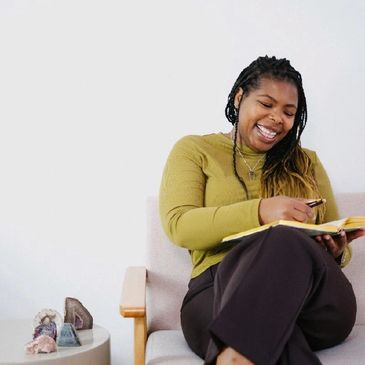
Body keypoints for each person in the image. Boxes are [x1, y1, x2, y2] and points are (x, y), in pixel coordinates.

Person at [159, 56, 365, 365]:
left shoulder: (306, 161)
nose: (276, 119)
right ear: (240, 97)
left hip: (314, 299)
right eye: (266, 104)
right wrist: (261, 210)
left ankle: (236, 353)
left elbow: (335, 229)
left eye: (288, 112)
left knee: (284, 239)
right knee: (273, 334)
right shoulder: (195, 150)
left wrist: (336, 251)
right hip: (217, 291)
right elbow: (180, 225)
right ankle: (238, 355)